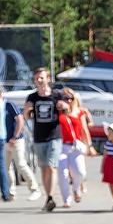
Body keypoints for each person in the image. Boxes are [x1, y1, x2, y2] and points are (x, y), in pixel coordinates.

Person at [22, 67, 69, 212]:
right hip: (39, 137)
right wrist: (26, 110)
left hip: (54, 136)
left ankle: (50, 197)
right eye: (36, 78)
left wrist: (64, 106)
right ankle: (48, 198)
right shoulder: (32, 97)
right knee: (44, 169)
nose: (39, 80)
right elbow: (26, 117)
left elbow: (67, 109)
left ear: (48, 78)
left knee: (51, 166)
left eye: (41, 77)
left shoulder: (56, 94)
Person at [2, 87, 40, 201]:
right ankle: (10, 192)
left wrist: (15, 136)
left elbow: (20, 120)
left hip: (16, 140)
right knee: (6, 166)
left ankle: (34, 189)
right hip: (4, 140)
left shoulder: (9, 105)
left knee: (21, 164)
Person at [56, 88, 93, 207]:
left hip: (75, 145)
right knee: (63, 173)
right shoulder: (57, 112)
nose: (68, 101)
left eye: (71, 98)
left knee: (80, 172)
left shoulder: (79, 112)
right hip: (61, 146)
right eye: (66, 98)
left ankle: (76, 188)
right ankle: (66, 199)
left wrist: (89, 146)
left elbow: (84, 129)